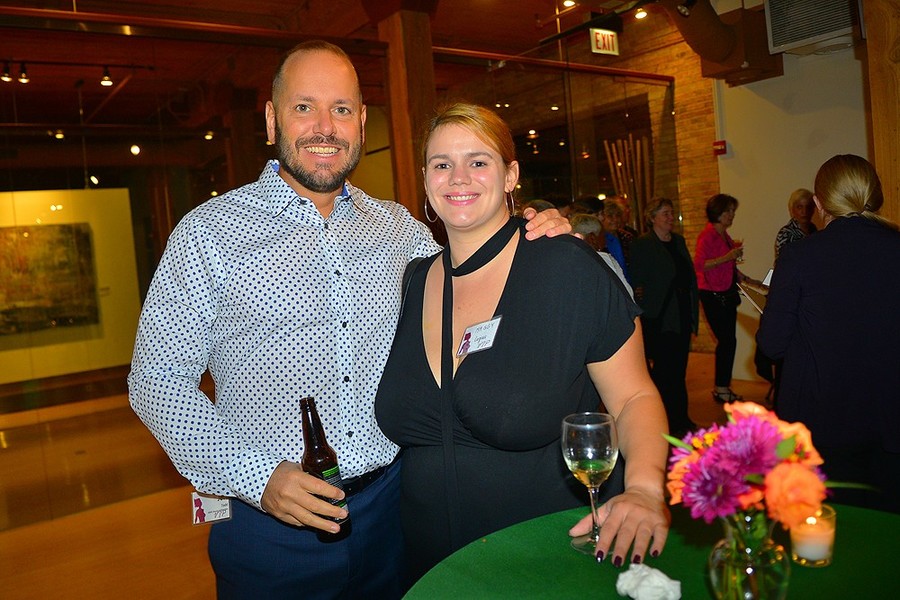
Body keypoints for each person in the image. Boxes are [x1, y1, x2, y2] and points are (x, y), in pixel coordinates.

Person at [127, 41, 569, 599]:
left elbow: (477, 282)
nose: (324, 127)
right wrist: (257, 478)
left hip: (395, 512)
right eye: (304, 107)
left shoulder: (400, 230)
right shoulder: (208, 234)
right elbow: (156, 382)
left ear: (361, 122)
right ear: (272, 120)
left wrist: (536, 233)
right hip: (270, 530)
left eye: (341, 109)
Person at [374, 102, 670, 585]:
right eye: (442, 164)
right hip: (434, 572)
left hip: (544, 556)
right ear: (425, 181)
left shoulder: (564, 267)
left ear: (510, 175)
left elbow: (634, 396)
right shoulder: (416, 280)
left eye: (478, 161)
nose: (458, 177)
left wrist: (643, 490)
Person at [757, 154, 900, 514]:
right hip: (890, 418)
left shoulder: (799, 256)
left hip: (822, 421)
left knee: (826, 523)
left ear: (819, 204)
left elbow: (772, 344)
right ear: (875, 197)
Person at [629, 198, 699, 437]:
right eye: (666, 213)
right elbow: (638, 281)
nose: (671, 217)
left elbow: (688, 276)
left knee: (679, 370)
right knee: (664, 371)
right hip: (660, 317)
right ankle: (663, 420)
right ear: (652, 218)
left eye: (671, 213)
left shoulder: (678, 241)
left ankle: (680, 417)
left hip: (681, 313)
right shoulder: (643, 244)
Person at [693, 193, 762, 404]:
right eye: (729, 211)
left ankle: (723, 387)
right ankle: (721, 388)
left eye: (733, 211)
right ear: (718, 212)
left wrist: (748, 280)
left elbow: (729, 267)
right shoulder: (708, 236)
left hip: (726, 293)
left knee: (728, 342)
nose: (732, 215)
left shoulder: (724, 235)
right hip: (713, 295)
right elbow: (700, 265)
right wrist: (728, 256)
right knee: (727, 342)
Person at [570, 212, 633, 297]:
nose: (605, 241)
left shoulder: (566, 261)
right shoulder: (605, 260)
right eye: (603, 235)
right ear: (593, 238)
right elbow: (626, 294)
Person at [774, 188, 817, 259]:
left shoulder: (814, 230)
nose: (804, 211)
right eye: (799, 207)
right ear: (792, 210)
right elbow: (783, 261)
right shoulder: (785, 233)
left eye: (808, 207)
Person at [599, 198, 630, 279]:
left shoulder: (627, 237)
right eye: (610, 216)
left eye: (618, 215)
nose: (615, 219)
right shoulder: (598, 240)